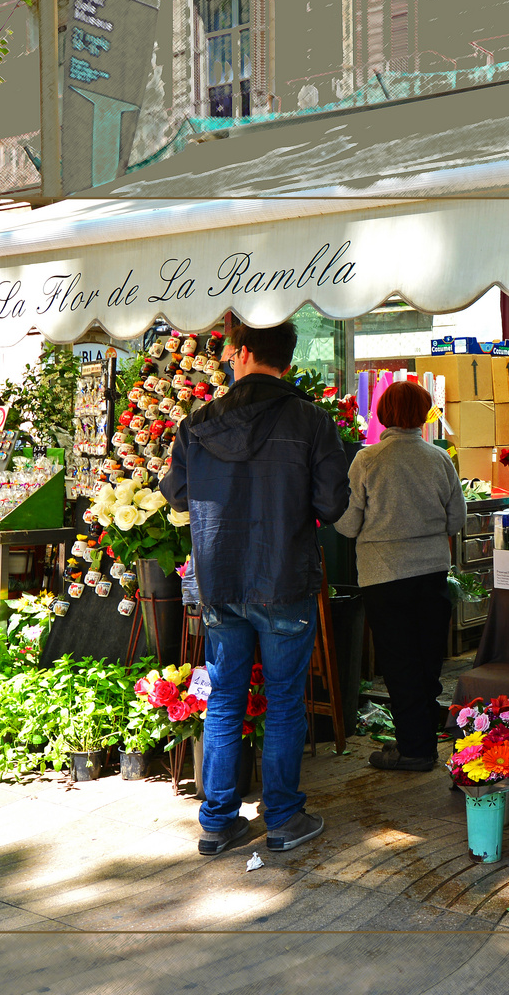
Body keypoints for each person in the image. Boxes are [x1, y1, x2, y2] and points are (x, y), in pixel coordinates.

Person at [160, 320, 351, 856]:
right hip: (284, 576)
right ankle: (284, 818)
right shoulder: (312, 420)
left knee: (224, 698)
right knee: (287, 700)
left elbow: (175, 495)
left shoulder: (197, 424)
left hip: (220, 578)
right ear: (285, 361)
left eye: (226, 351)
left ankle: (218, 822)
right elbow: (333, 503)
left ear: (242, 354)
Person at [334, 381, 466, 772]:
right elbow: (456, 520)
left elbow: (346, 524)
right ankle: (422, 741)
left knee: (399, 662)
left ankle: (414, 751)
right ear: (423, 414)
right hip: (431, 573)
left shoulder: (367, 459)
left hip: (383, 576)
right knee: (427, 661)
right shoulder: (439, 458)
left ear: (383, 414)